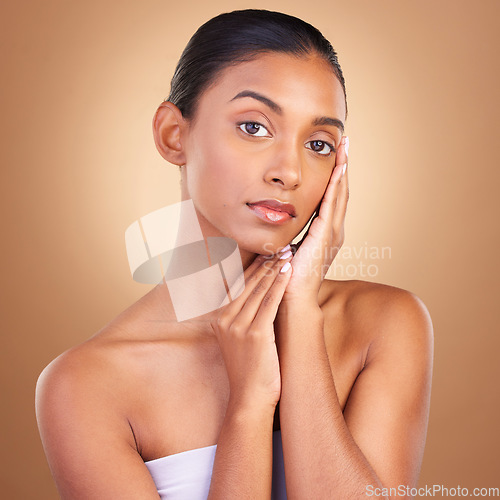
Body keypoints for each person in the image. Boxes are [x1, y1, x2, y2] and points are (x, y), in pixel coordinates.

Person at [35, 9, 433, 499]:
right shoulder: (86, 386)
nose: (290, 171)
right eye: (254, 127)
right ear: (173, 135)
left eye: (318, 143)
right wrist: (248, 404)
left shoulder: (384, 324)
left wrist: (301, 319)